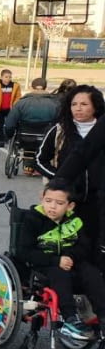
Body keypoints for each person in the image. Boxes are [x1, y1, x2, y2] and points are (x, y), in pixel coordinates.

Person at [17, 179, 105, 342]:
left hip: (70, 261)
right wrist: (56, 260)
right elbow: (25, 251)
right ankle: (70, 319)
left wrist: (70, 257)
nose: (52, 206)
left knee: (91, 272)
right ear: (41, 198)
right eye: (48, 201)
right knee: (60, 274)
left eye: (59, 203)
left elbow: (84, 246)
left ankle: (102, 316)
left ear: (69, 206)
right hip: (44, 264)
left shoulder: (75, 221)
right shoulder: (33, 220)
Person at [41, 85, 105, 250]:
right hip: (69, 200)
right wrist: (57, 181)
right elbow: (40, 159)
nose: (78, 108)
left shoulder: (100, 130)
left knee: (95, 243)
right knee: (70, 245)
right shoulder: (60, 130)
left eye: (84, 104)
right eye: (74, 104)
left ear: (95, 106)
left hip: (97, 200)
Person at [2, 77, 58, 143]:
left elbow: (9, 124)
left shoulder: (21, 103)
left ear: (31, 88)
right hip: (47, 138)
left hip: (24, 137)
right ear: (46, 88)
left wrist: (9, 135)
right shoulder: (55, 104)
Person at [0, 70, 21, 145]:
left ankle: (10, 138)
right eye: (6, 77)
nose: (8, 79)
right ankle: (1, 139)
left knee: (10, 125)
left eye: (9, 77)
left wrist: (15, 105)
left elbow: (18, 97)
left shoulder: (15, 86)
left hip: (10, 109)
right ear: (1, 77)